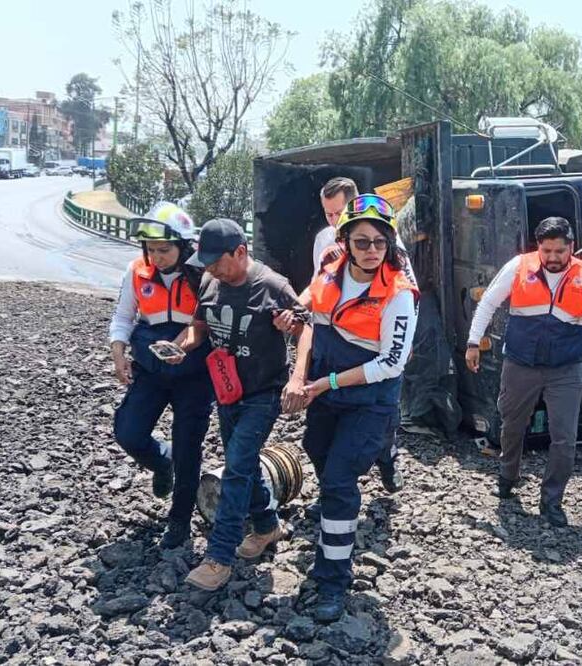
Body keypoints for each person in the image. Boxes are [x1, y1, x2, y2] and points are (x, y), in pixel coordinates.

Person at [283, 194, 419, 622]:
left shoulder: (398, 292)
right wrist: (297, 375)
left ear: (390, 244)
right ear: (344, 241)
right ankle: (381, 451)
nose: (372, 250)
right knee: (316, 451)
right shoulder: (328, 270)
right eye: (362, 242)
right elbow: (312, 327)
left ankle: (332, 581)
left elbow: (391, 362)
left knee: (338, 485)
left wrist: (321, 385)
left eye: (380, 242)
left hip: (369, 397)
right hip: (325, 389)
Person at [170, 218, 309, 591]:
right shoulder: (211, 281)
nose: (212, 269)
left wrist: (296, 370)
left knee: (236, 467)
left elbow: (305, 327)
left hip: (263, 393)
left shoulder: (273, 286)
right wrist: (182, 346)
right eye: (208, 263)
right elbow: (199, 325)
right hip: (227, 389)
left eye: (218, 261)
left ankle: (220, 558)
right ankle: (267, 526)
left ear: (241, 252)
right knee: (241, 464)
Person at [464, 217, 582, 527]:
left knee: (565, 438)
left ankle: (552, 501)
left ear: (571, 248)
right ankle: (507, 477)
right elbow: (488, 303)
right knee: (512, 425)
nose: (553, 258)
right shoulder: (519, 266)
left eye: (560, 251)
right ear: (539, 248)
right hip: (520, 364)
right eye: (547, 251)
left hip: (566, 368)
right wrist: (472, 342)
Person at [294, 178, 409, 511]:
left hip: (373, 364)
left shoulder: (390, 251)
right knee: (316, 445)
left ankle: (383, 461)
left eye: (336, 214)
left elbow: (403, 299)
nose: (331, 222)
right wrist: (295, 310)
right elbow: (317, 290)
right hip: (332, 362)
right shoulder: (325, 244)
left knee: (374, 437)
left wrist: (400, 339)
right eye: (327, 215)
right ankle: (331, 492)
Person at [109, 202, 213, 549]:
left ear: (184, 246)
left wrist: (188, 344)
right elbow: (124, 316)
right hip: (151, 369)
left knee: (189, 446)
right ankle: (161, 461)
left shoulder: (204, 273)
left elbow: (214, 321)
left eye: (164, 250)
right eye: (150, 250)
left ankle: (180, 518)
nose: (157, 257)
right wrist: (118, 352)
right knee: (128, 431)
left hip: (194, 374)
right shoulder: (136, 271)